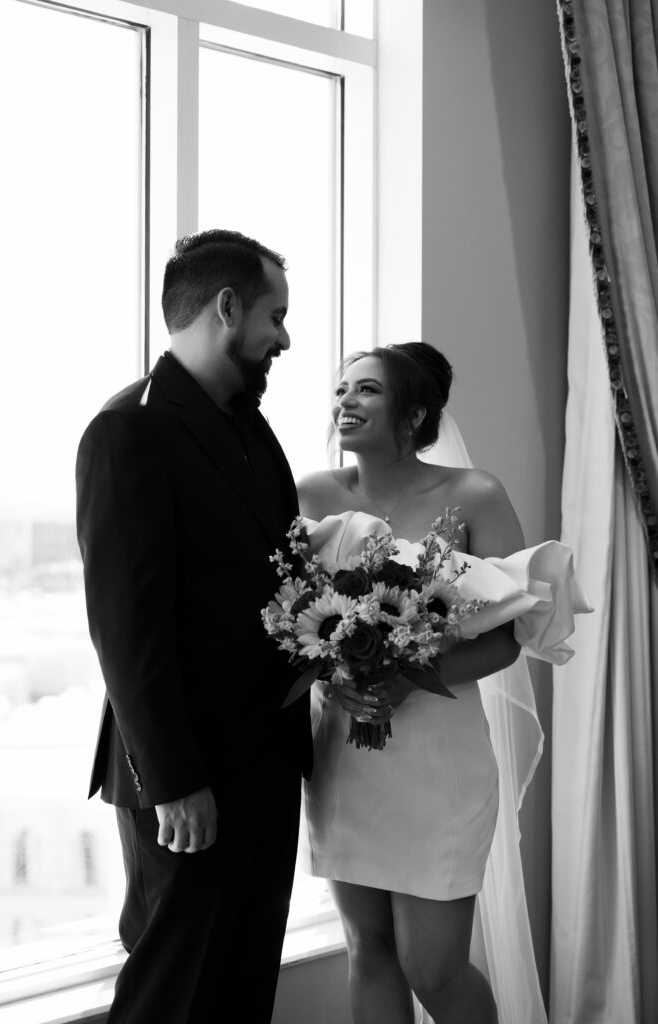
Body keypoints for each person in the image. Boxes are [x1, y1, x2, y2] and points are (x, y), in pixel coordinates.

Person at [296, 342, 582, 1024]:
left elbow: (510, 638)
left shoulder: (473, 494)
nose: (344, 402)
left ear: (414, 411)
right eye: (340, 390)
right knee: (366, 949)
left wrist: (409, 681)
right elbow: (292, 620)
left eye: (364, 390)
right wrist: (333, 679)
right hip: (343, 752)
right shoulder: (309, 494)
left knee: (433, 966)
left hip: (438, 761)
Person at [76, 229, 312, 1024]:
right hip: (184, 776)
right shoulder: (128, 431)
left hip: (266, 766)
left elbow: (283, 586)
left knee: (241, 988)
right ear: (225, 307)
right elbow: (125, 630)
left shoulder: (257, 433)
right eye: (273, 315)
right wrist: (175, 782)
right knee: (172, 998)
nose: (282, 336)